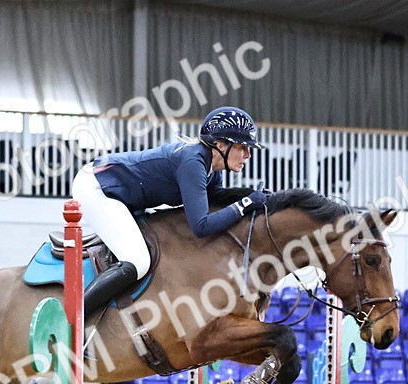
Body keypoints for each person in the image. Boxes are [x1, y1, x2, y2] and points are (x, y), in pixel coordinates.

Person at [70, 106, 267, 318]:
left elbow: (216, 198)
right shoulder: (193, 162)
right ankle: (73, 318)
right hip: (97, 188)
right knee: (137, 261)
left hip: (121, 194)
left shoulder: (210, 167)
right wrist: (245, 203)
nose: (248, 155)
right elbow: (201, 226)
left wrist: (252, 196)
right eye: (242, 147)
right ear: (220, 145)